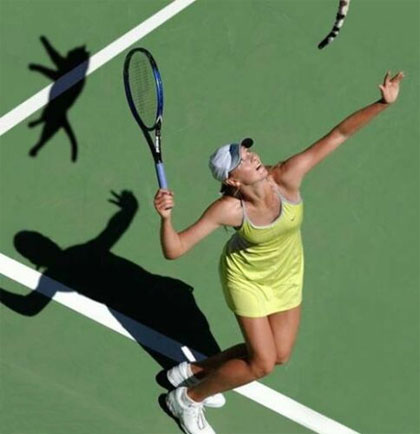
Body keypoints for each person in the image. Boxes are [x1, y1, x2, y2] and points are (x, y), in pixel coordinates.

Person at [154, 71, 404, 434]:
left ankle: (192, 371)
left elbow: (338, 135)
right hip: (247, 280)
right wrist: (166, 219)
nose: (252, 156)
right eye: (242, 158)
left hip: (286, 273)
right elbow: (175, 249)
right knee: (262, 363)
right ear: (232, 180)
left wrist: (382, 103)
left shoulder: (287, 176)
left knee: (280, 354)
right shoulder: (228, 210)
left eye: (248, 150)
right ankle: (186, 400)